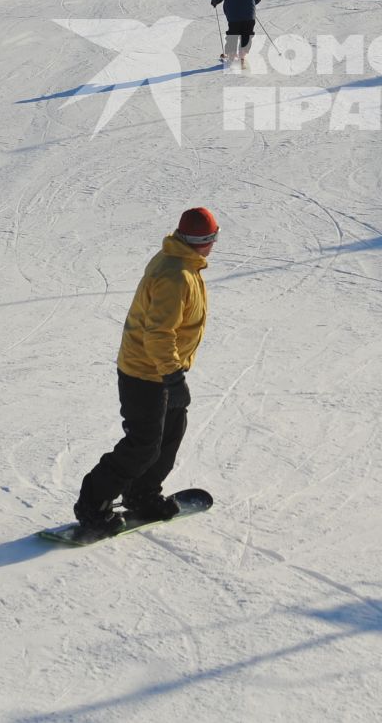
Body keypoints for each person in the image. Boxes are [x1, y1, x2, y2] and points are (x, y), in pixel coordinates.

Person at [72, 207, 218, 541]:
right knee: (143, 444)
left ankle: (142, 493)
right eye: (210, 239)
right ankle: (92, 505)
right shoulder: (175, 274)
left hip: (162, 368)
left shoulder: (183, 261)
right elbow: (158, 334)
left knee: (171, 431)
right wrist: (173, 377)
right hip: (145, 371)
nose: (212, 245)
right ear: (203, 241)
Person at [210, 0, 262, 67]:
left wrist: (214, 2)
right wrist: (250, 5)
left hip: (234, 16)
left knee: (233, 34)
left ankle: (231, 56)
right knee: (247, 34)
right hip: (249, 15)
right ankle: (242, 56)